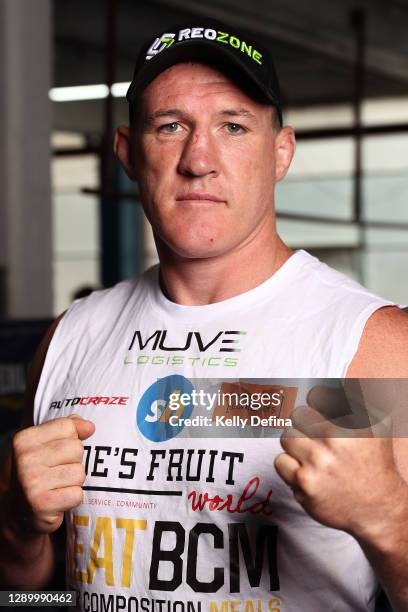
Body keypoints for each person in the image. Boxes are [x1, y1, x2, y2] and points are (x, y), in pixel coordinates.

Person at [1, 19, 408, 612]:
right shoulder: (71, 339)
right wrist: (15, 529)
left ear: (281, 152)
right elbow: (28, 600)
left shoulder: (369, 347)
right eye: (170, 127)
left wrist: (391, 521)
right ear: (127, 153)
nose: (199, 160)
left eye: (233, 126)